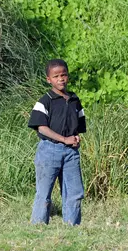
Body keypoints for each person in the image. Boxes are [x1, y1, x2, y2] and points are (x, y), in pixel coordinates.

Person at [28, 59, 86, 225]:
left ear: (68, 76)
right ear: (49, 79)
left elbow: (78, 126)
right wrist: (63, 139)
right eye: (56, 76)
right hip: (49, 150)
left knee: (74, 192)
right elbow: (41, 128)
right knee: (44, 191)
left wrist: (75, 139)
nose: (61, 79)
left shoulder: (74, 100)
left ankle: (72, 226)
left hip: (71, 153)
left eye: (64, 75)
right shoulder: (45, 101)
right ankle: (38, 226)